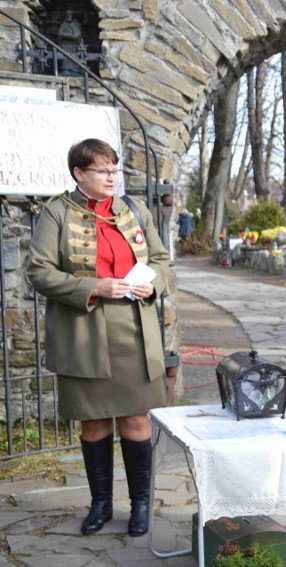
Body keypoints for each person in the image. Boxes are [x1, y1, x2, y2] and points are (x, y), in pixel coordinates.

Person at [26, 139, 170, 537]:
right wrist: (94, 286)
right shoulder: (56, 212)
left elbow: (160, 260)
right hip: (83, 333)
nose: (112, 177)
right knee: (93, 422)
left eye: (114, 169)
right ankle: (100, 505)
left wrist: (153, 285)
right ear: (79, 174)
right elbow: (38, 271)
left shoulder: (134, 210)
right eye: (103, 171)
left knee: (136, 418)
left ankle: (140, 504)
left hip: (134, 333)